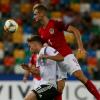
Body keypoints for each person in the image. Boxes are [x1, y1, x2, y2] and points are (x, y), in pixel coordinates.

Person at [32, 4, 100, 100]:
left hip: (66, 54)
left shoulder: (55, 24)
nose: (34, 16)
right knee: (59, 88)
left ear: (42, 13)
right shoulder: (40, 31)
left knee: (80, 76)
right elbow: (44, 46)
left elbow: (75, 30)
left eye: (35, 14)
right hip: (56, 60)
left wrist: (80, 47)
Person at [22, 36, 66, 100]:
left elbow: (61, 58)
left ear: (35, 44)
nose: (30, 48)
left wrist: (46, 56)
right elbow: (39, 73)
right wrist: (28, 69)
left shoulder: (47, 49)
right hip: (43, 84)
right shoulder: (39, 56)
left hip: (50, 85)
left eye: (30, 46)